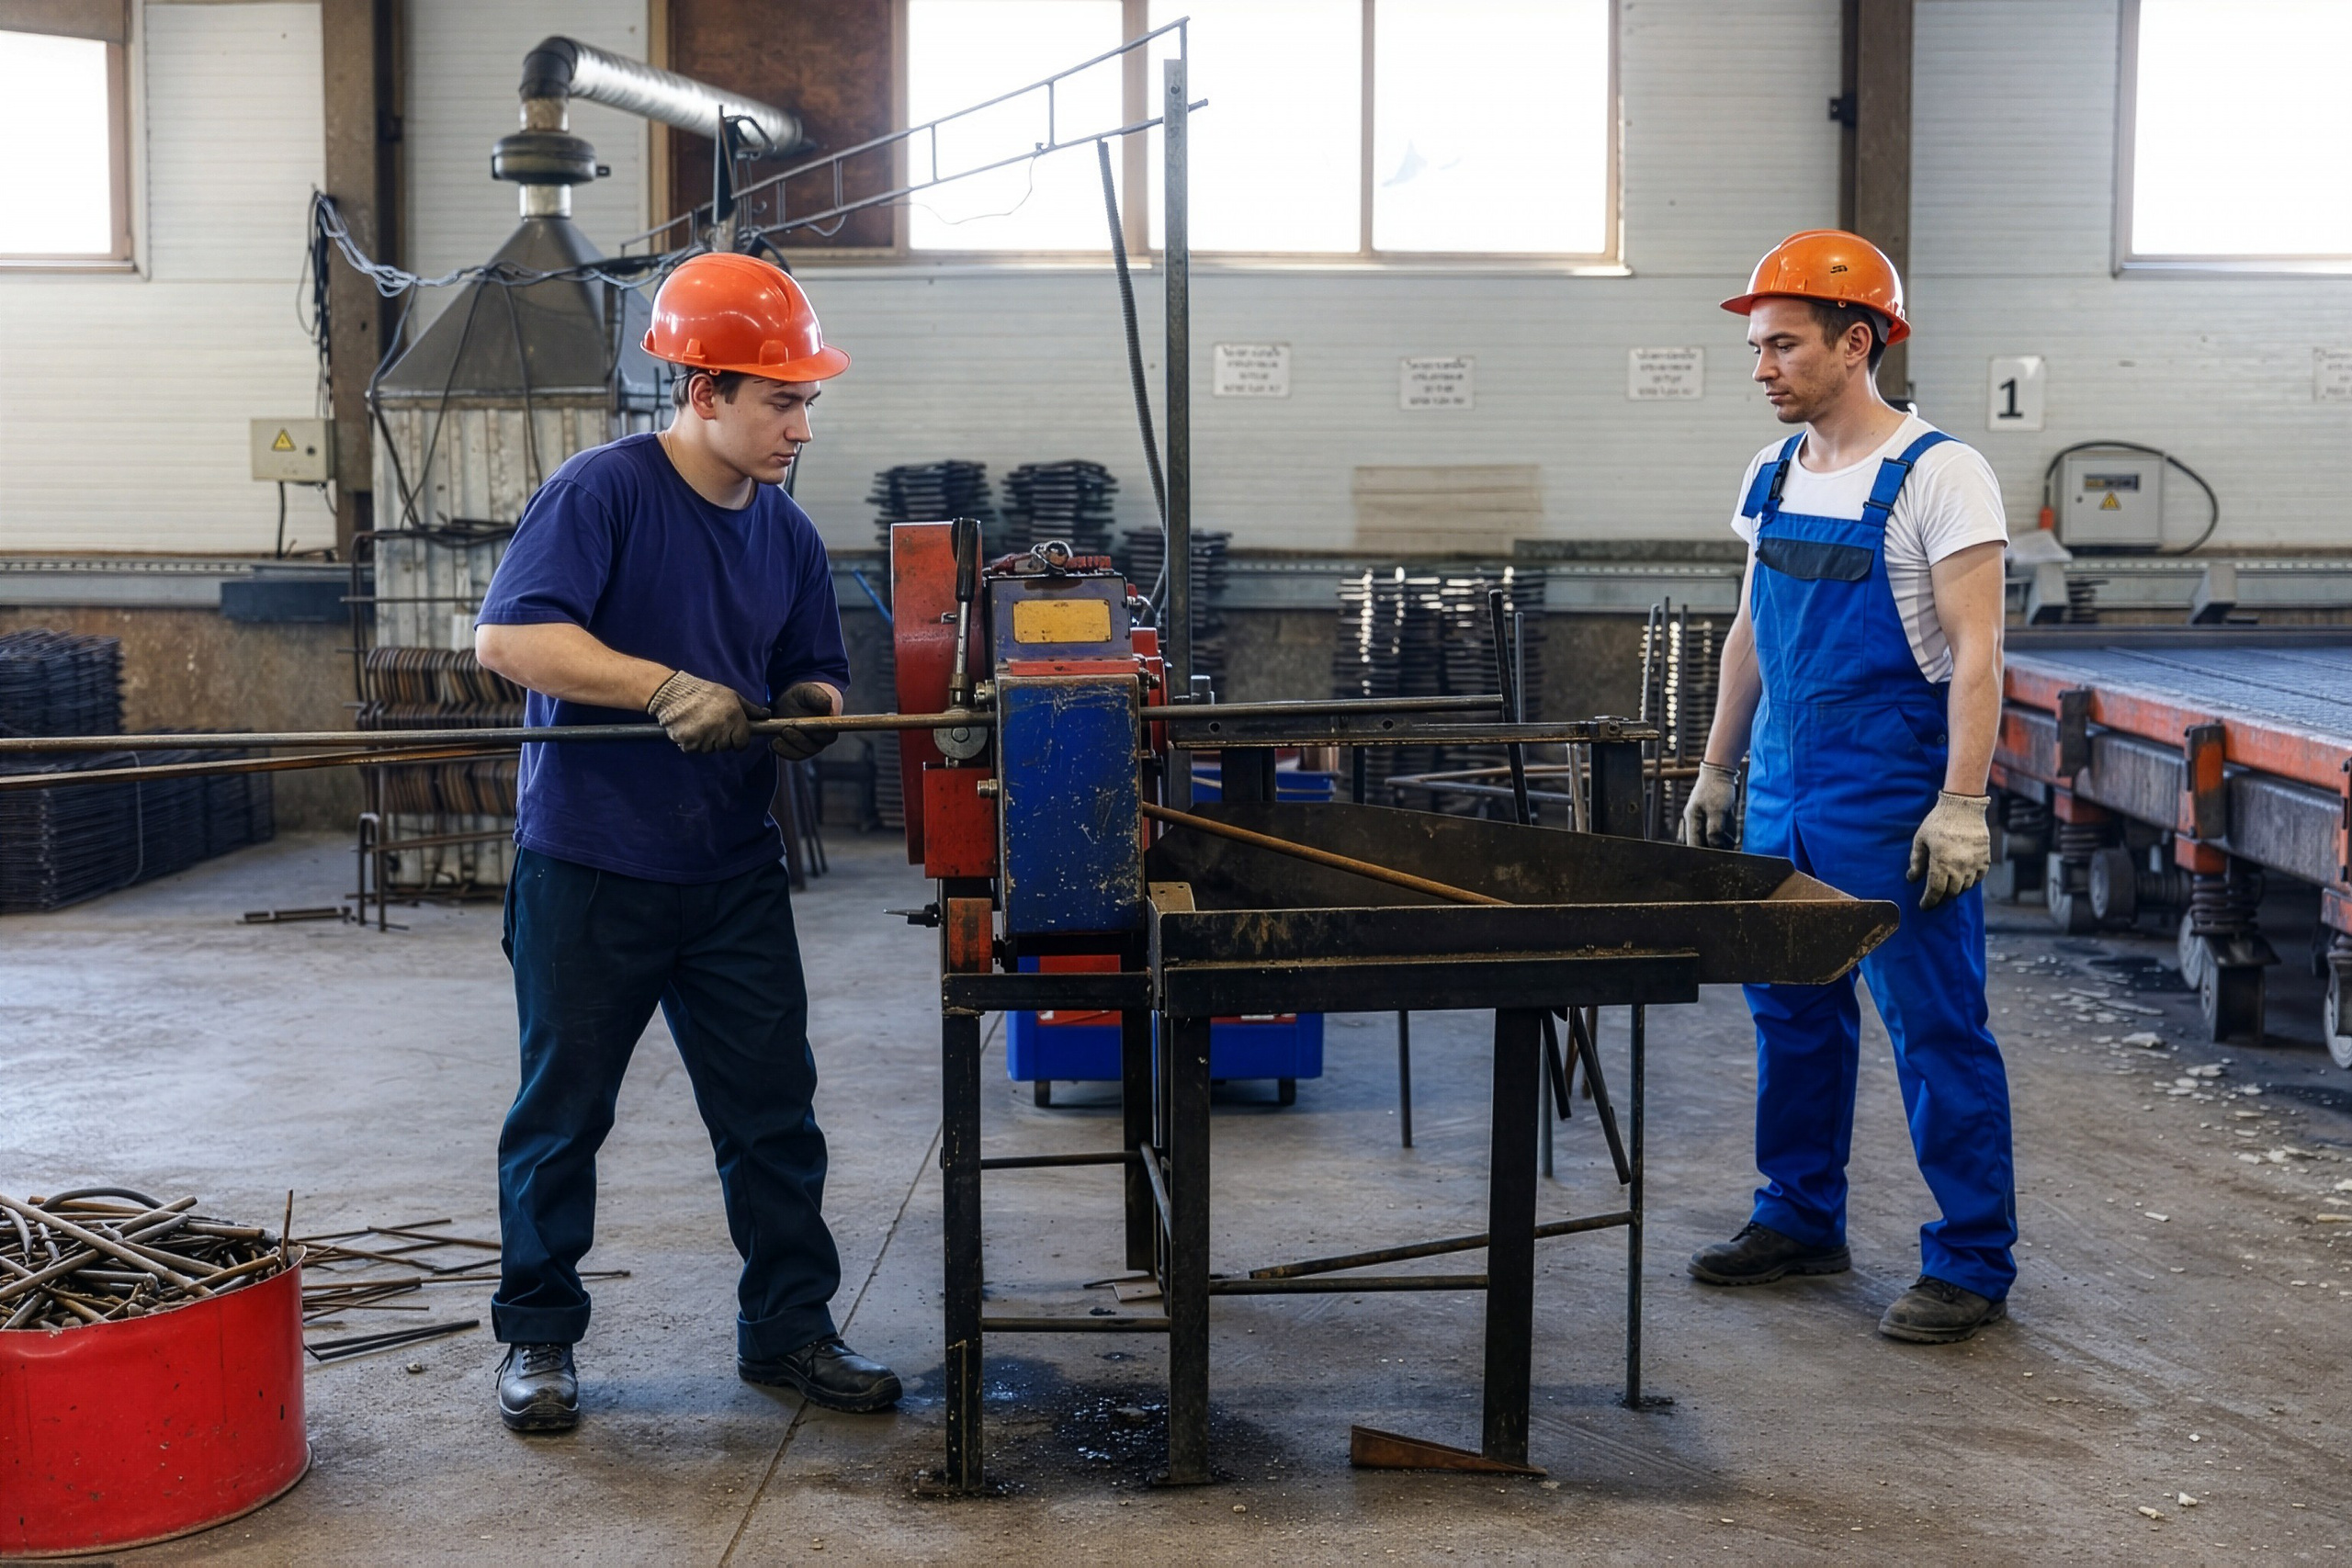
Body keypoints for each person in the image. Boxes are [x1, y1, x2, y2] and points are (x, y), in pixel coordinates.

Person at [472, 251, 900, 1431]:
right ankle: (539, 1338)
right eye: (780, 399)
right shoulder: (601, 493)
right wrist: (663, 688)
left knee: (772, 1115)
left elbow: (813, 667)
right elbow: (510, 640)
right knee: (561, 1117)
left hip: (728, 871)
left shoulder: (789, 535)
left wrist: (812, 714)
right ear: (702, 390)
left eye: (808, 399)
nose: (800, 425)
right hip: (591, 865)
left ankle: (788, 1332)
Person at [1680, 230, 2015, 1344]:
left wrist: (1960, 800)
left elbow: (1978, 654)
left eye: (1781, 344)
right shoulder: (1771, 474)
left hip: (1891, 793)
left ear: (1855, 340)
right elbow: (1748, 635)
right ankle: (1797, 1217)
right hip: (1783, 784)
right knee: (1790, 1015)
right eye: (1756, 347)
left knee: (1934, 1030)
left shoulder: (1939, 475)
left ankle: (1969, 1260)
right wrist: (1718, 767)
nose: (1761, 366)